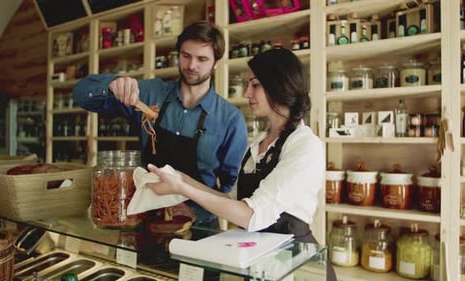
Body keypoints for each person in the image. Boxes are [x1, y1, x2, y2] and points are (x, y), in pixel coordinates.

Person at [146, 48, 337, 280]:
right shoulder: (260, 142)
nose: (247, 93)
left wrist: (183, 189)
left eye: (255, 84)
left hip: (296, 265)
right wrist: (181, 179)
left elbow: (251, 215)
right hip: (260, 259)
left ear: (279, 86)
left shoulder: (305, 145)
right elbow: (234, 202)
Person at [72, 21, 248, 225]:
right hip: (144, 217)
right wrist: (112, 85)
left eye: (202, 59)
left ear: (216, 62)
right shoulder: (150, 93)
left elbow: (231, 187)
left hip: (200, 227)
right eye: (186, 56)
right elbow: (81, 95)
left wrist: (196, 212)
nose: (192, 66)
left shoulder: (229, 118)